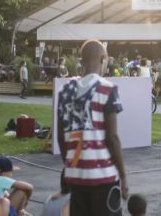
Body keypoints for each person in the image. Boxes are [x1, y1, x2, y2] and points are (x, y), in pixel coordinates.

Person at [57, 40, 128, 215]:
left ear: (81, 61)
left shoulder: (65, 91)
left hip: (75, 176)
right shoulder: (107, 89)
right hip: (103, 176)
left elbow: (60, 136)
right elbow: (112, 138)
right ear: (103, 59)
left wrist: (70, 164)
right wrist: (123, 175)